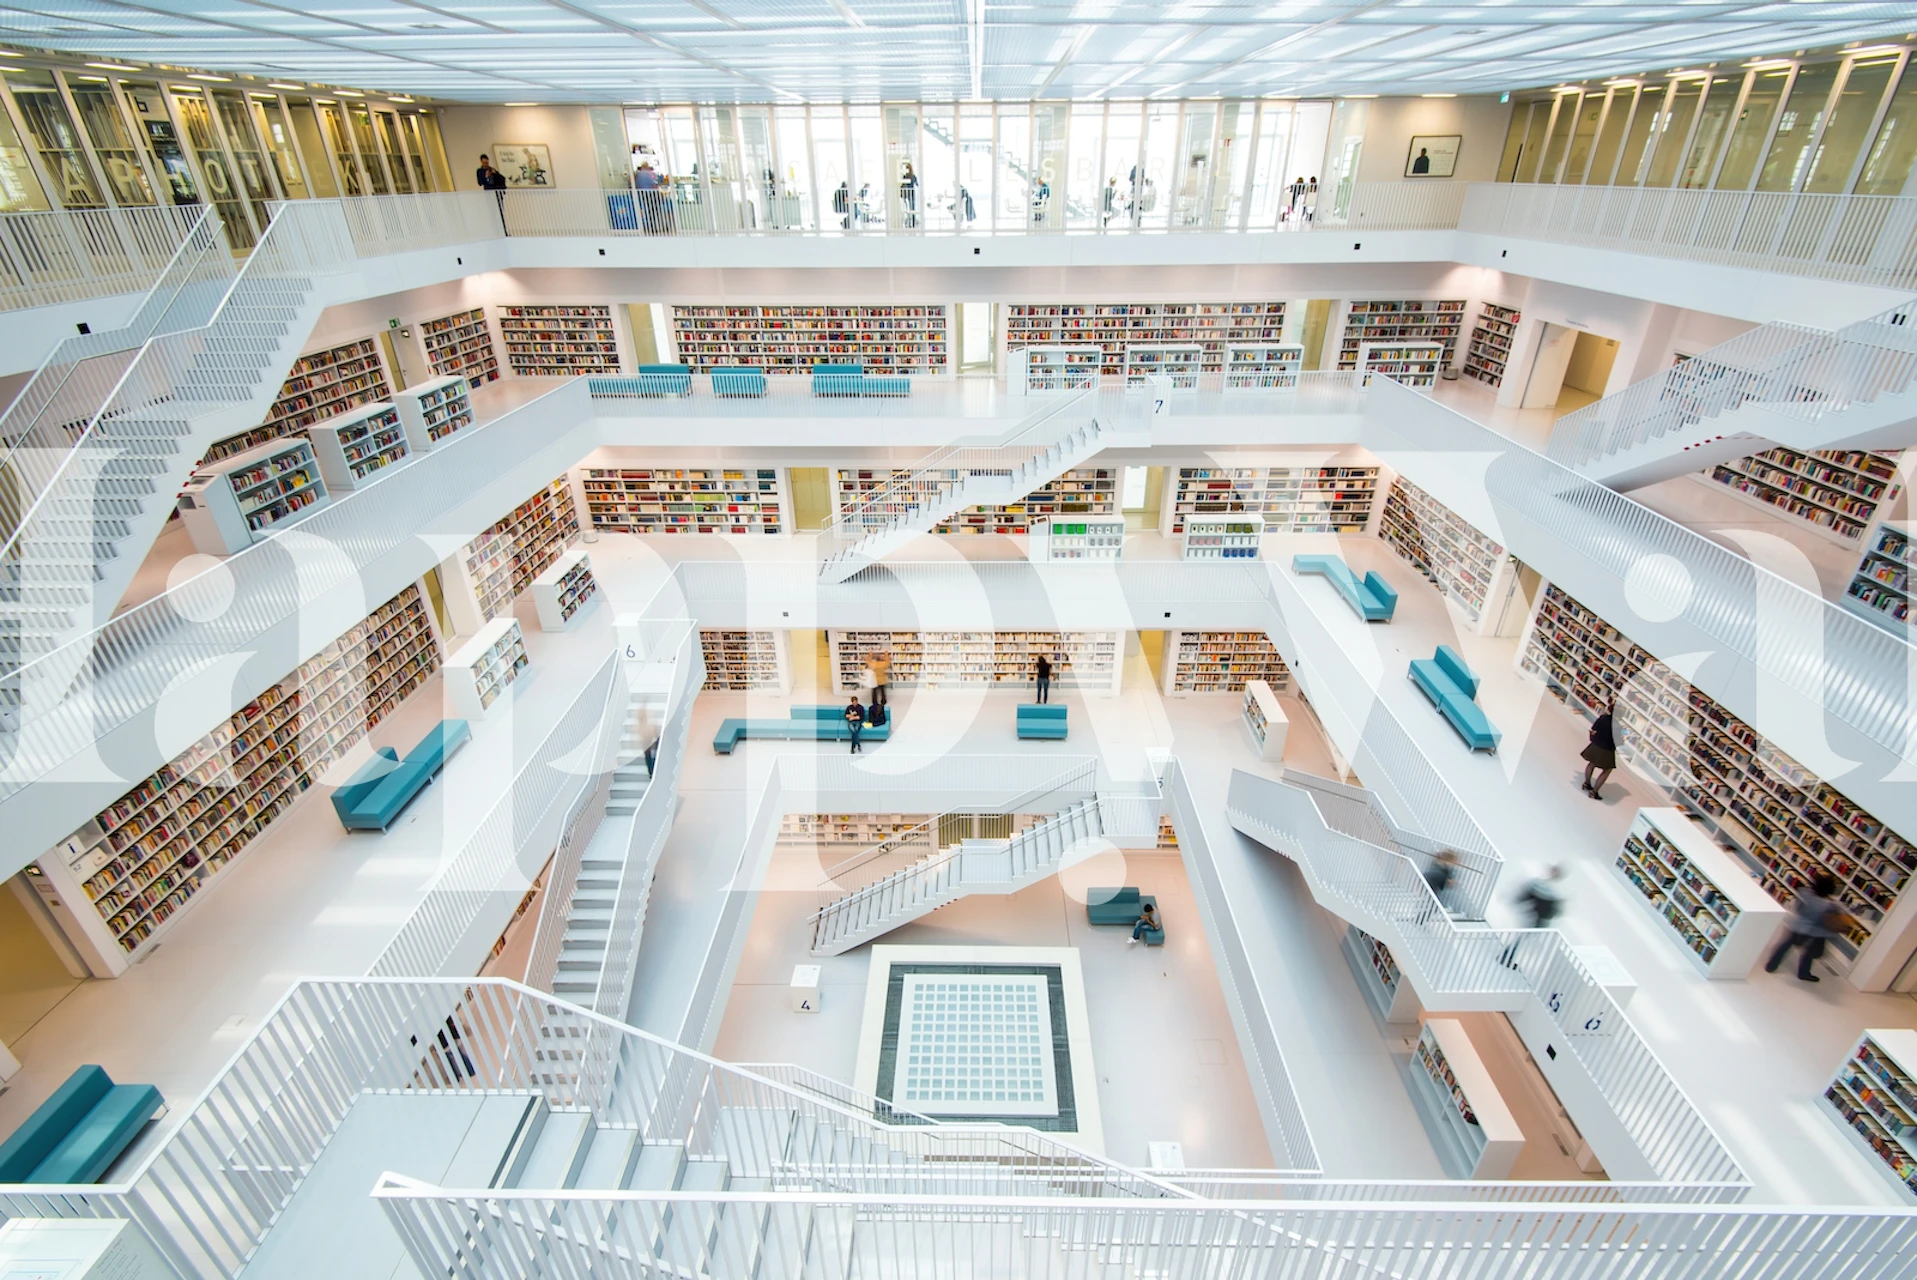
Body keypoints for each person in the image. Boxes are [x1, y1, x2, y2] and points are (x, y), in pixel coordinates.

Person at [1765, 874, 1848, 983]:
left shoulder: (1804, 893)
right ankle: (1803, 973)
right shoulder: (1830, 905)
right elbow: (1834, 917)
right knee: (1810, 952)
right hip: (1817, 932)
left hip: (1798, 925)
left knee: (1785, 945)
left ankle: (1771, 965)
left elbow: (1798, 908)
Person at [1501, 866, 1566, 966]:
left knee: (1520, 939)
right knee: (1520, 939)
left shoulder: (1541, 884)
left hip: (1531, 917)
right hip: (1532, 918)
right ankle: (1505, 957)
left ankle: (1506, 956)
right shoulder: (1539, 884)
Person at [1581, 702, 1617, 799]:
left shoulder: (1603, 718)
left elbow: (1594, 728)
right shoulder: (1618, 726)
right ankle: (1594, 791)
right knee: (1607, 770)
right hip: (1607, 749)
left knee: (1591, 763)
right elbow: (1619, 742)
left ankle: (1586, 783)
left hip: (1595, 745)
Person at [899, 162, 919, 227]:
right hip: (911, 194)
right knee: (911, 208)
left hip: (907, 194)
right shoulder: (913, 176)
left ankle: (909, 221)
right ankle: (912, 222)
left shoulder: (906, 176)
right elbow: (917, 184)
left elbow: (902, 185)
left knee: (908, 209)